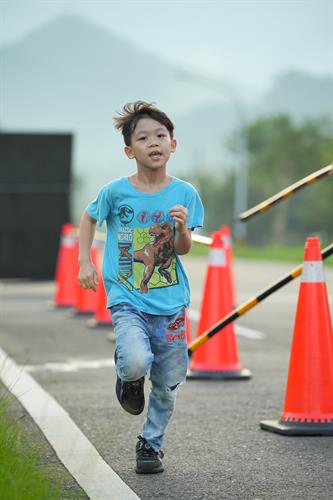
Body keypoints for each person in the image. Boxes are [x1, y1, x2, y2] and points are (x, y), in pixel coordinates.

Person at [78, 101, 204, 474]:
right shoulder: (116, 192)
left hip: (170, 303)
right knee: (135, 360)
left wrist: (182, 231)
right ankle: (128, 377)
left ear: (173, 144)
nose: (154, 143)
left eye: (161, 136)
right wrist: (84, 261)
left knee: (167, 382)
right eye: (144, 137)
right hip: (127, 297)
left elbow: (182, 249)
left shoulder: (185, 194)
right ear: (129, 150)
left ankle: (150, 444)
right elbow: (88, 217)